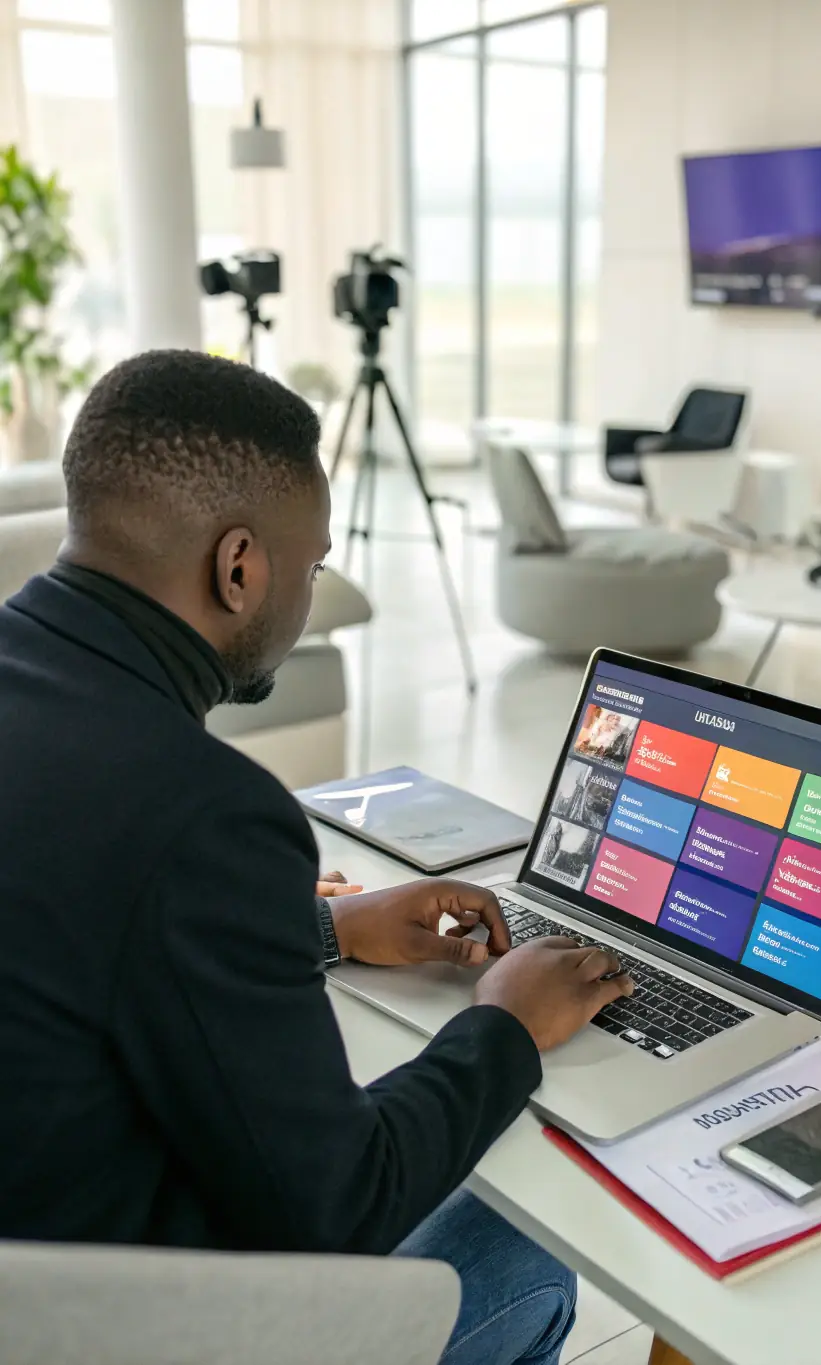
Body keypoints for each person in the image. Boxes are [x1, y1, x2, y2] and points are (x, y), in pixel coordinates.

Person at [0, 351, 633, 1365]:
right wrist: (505, 1028)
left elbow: (62, 911)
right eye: (315, 563)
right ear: (239, 567)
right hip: (102, 1324)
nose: (308, 590)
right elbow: (336, 1208)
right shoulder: (205, 812)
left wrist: (323, 928)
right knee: (525, 1251)